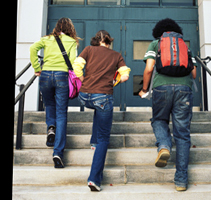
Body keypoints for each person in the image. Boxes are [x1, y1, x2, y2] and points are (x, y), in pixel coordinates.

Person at [139, 18, 197, 191]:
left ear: (158, 31)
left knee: (159, 120)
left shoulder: (156, 44)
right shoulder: (185, 46)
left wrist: (143, 89)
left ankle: (164, 145)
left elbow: (149, 68)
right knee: (183, 134)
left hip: (161, 88)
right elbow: (193, 73)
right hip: (184, 90)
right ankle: (180, 181)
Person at [73, 30, 130, 192]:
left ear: (96, 40)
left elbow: (76, 66)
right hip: (103, 96)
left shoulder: (88, 50)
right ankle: (94, 179)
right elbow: (125, 75)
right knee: (104, 138)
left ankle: (93, 141)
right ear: (109, 42)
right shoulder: (116, 55)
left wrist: (84, 81)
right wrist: (114, 81)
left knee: (98, 110)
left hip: (84, 97)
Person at [29, 17, 81, 168]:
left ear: (56, 27)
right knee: (61, 113)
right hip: (62, 76)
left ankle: (51, 128)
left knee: (49, 104)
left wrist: (37, 68)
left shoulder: (47, 39)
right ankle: (58, 152)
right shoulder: (72, 42)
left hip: (45, 75)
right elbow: (73, 61)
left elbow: (33, 48)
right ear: (70, 28)